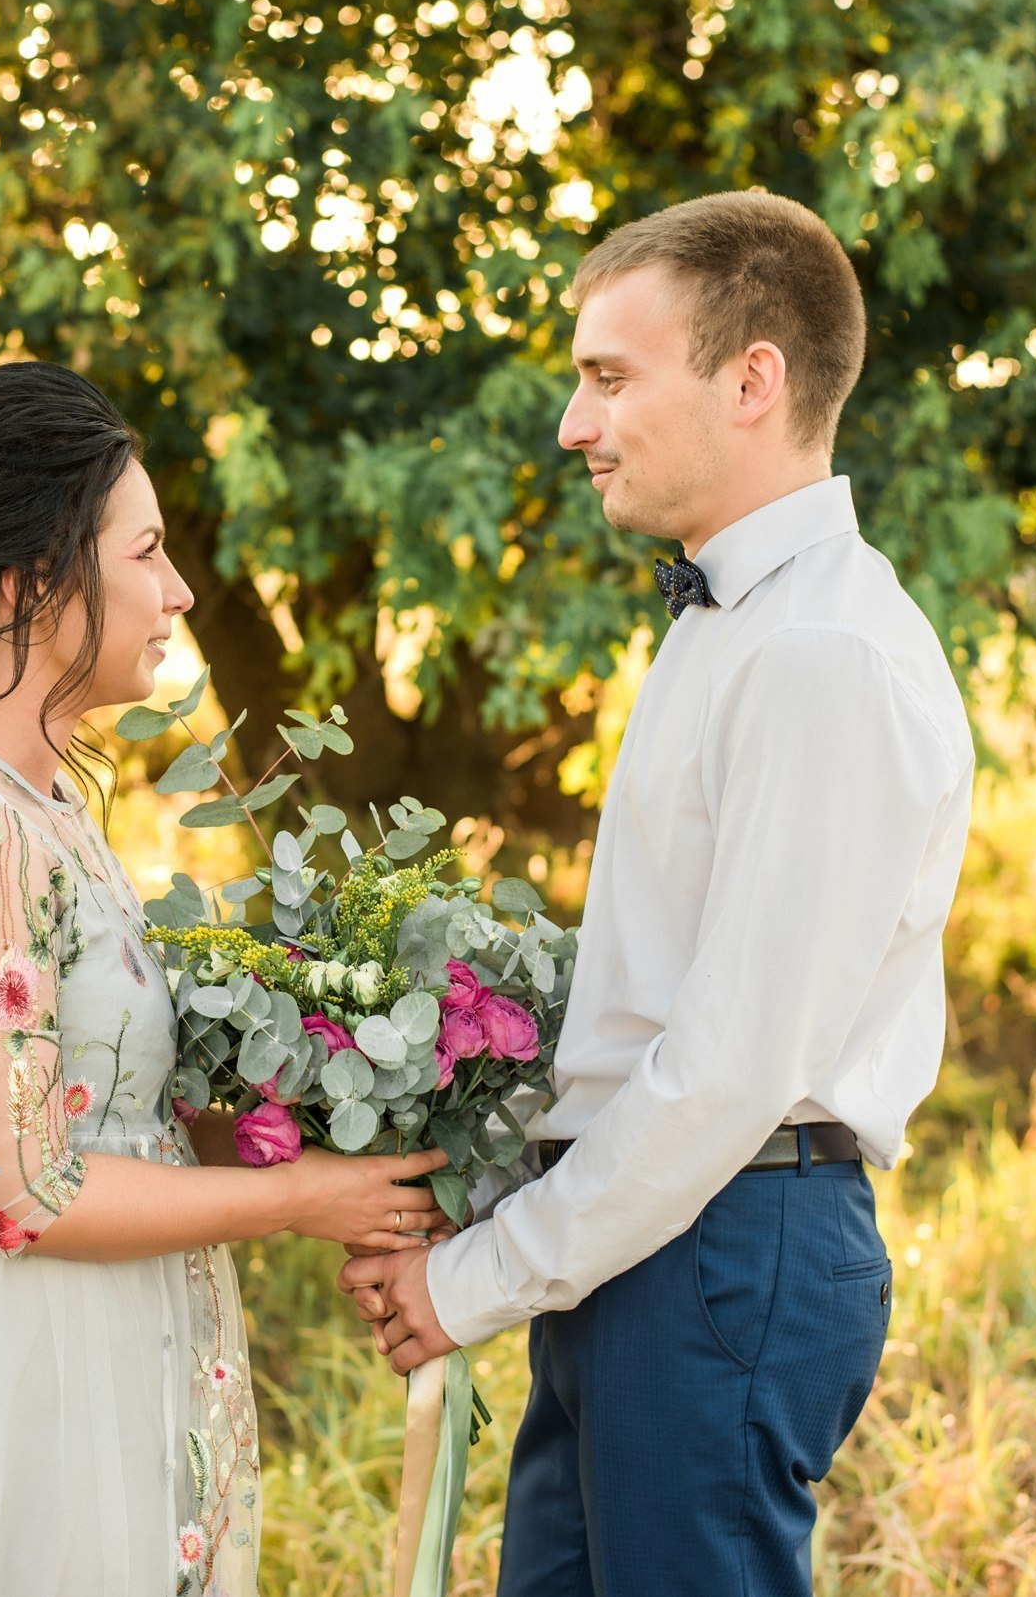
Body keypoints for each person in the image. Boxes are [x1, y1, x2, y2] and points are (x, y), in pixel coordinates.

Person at [340, 191, 977, 1594]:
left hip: (727, 1246)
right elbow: (641, 1010)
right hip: (650, 1242)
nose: (576, 422)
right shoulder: (725, 622)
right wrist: (481, 1188)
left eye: (610, 376)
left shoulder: (821, 655)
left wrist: (476, 1281)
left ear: (755, 380)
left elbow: (727, 1067)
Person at [0, 361, 447, 1596]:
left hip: (95, 1335)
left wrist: (345, 1124)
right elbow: (24, 1192)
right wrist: (302, 1198)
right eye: (146, 553)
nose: (180, 591)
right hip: (20, 1364)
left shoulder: (42, 808)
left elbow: (99, 1110)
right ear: (33, 581)